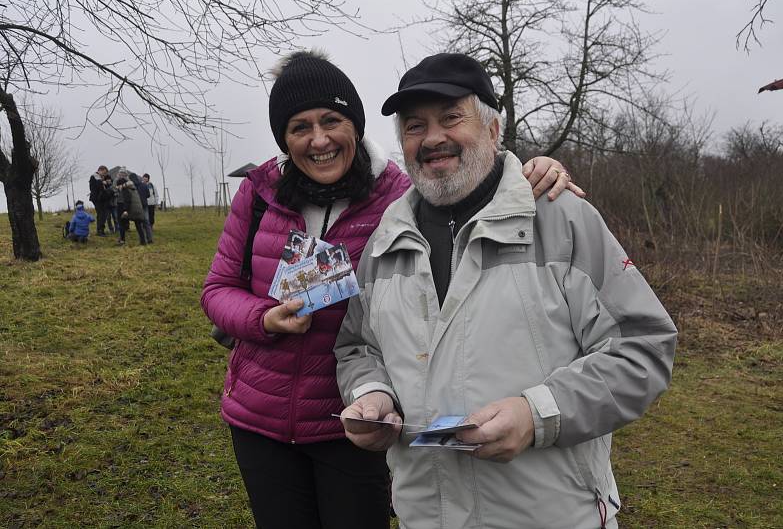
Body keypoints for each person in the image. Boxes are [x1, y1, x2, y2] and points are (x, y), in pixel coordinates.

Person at [200, 50, 577, 529]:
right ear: (284, 138)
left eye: (332, 120)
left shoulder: (401, 197)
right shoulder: (260, 193)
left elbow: (471, 184)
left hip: (357, 421)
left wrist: (534, 172)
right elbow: (217, 290)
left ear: (355, 125)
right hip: (260, 417)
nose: (319, 140)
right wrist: (262, 319)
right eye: (300, 127)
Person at [335, 53, 678, 529]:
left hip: (552, 516)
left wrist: (537, 415)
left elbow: (643, 347)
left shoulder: (563, 220)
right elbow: (357, 347)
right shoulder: (383, 244)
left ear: (494, 130)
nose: (432, 138)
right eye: (415, 126)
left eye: (451, 118)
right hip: (425, 517)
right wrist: (374, 395)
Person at [115, 170, 148, 246]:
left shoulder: (125, 190)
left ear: (121, 185)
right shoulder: (133, 188)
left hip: (131, 210)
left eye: (118, 186)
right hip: (138, 209)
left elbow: (127, 200)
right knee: (138, 225)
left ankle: (122, 240)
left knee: (121, 224)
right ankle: (143, 241)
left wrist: (125, 210)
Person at [129, 173, 154, 243]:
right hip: (145, 205)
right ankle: (150, 239)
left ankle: (142, 240)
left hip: (136, 207)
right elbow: (148, 195)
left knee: (138, 224)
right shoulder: (144, 185)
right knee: (146, 222)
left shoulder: (132, 186)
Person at [89, 165, 110, 236]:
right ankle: (100, 231)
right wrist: (102, 182)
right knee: (101, 214)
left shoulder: (100, 178)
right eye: (104, 173)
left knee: (102, 214)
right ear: (100, 170)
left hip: (101, 199)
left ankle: (100, 229)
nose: (104, 175)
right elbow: (97, 187)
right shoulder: (94, 177)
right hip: (97, 199)